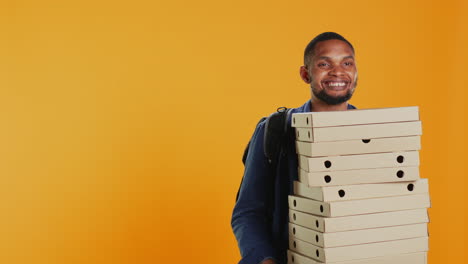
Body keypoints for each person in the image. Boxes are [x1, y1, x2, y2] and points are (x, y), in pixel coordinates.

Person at [231, 32, 359, 264]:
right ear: (305, 74)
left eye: (347, 63)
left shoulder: (376, 132)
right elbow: (248, 212)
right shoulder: (277, 128)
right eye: (324, 64)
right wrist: (265, 260)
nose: (338, 71)